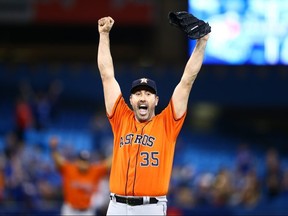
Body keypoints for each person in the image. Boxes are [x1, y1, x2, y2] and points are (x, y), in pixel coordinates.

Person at [97, 16, 210, 215]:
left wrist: (202, 42)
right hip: (116, 206)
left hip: (151, 207)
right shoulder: (120, 118)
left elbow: (187, 81)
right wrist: (104, 35)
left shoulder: (168, 122)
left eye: (148, 94)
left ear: (156, 101)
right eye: (138, 94)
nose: (143, 98)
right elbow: (107, 75)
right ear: (131, 100)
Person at [49, 136, 111, 216]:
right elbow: (58, 161)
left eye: (86, 161)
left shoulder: (94, 170)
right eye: (82, 161)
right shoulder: (69, 169)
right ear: (77, 161)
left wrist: (119, 148)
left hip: (87, 211)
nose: (83, 164)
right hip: (70, 210)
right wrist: (54, 148)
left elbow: (108, 163)